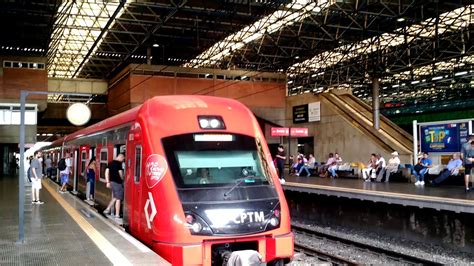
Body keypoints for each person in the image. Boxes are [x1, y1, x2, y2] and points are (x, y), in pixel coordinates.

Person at [104, 154, 125, 219]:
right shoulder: (118, 164)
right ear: (120, 157)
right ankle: (116, 213)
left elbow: (106, 172)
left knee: (116, 196)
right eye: (123, 159)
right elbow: (120, 173)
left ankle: (109, 210)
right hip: (118, 183)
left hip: (112, 182)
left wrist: (107, 182)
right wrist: (123, 179)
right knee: (118, 198)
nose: (122, 160)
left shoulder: (110, 163)